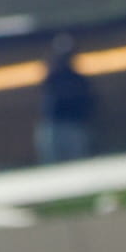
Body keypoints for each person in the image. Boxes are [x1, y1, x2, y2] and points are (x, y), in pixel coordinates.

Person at [39, 35, 95, 165]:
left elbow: (88, 101)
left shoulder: (78, 79)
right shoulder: (52, 77)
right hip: (54, 126)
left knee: (78, 164)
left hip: (75, 125)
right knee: (53, 165)